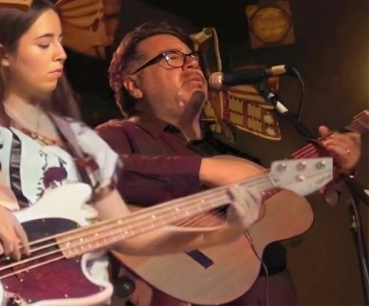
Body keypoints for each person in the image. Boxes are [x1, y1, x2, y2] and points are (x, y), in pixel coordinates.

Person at [0, 4, 263, 305]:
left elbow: (130, 235)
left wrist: (221, 234)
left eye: (60, 42)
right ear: (2, 55)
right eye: (44, 44)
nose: (60, 54)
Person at [97, 21, 363, 306]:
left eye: (192, 58)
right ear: (134, 85)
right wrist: (205, 169)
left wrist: (330, 170)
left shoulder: (229, 150)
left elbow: (281, 198)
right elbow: (91, 176)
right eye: (171, 58)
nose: (192, 65)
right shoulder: (117, 135)